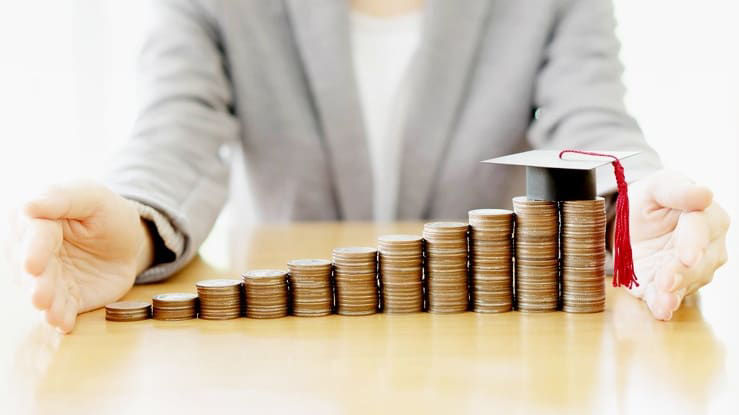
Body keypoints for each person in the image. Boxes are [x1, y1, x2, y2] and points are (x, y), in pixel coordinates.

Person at [9, 0, 729, 333]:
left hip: (484, 353)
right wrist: (134, 220)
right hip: (295, 350)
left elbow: (593, 121)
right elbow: (175, 127)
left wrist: (638, 206)